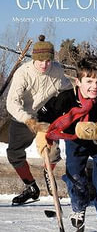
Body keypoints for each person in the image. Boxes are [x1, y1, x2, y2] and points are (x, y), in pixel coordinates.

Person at [36, 56, 97, 232]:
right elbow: (43, 116)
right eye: (89, 81)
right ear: (78, 81)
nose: (94, 86)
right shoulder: (65, 98)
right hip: (75, 141)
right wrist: (41, 131)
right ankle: (78, 207)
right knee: (75, 175)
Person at [6, 35, 72, 205]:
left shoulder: (57, 70)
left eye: (48, 61)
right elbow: (11, 103)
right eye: (40, 61)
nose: (44, 65)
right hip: (24, 115)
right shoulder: (23, 73)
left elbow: (67, 87)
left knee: (52, 150)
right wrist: (28, 120)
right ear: (34, 59)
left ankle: (48, 172)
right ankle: (31, 187)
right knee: (14, 153)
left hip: (44, 112)